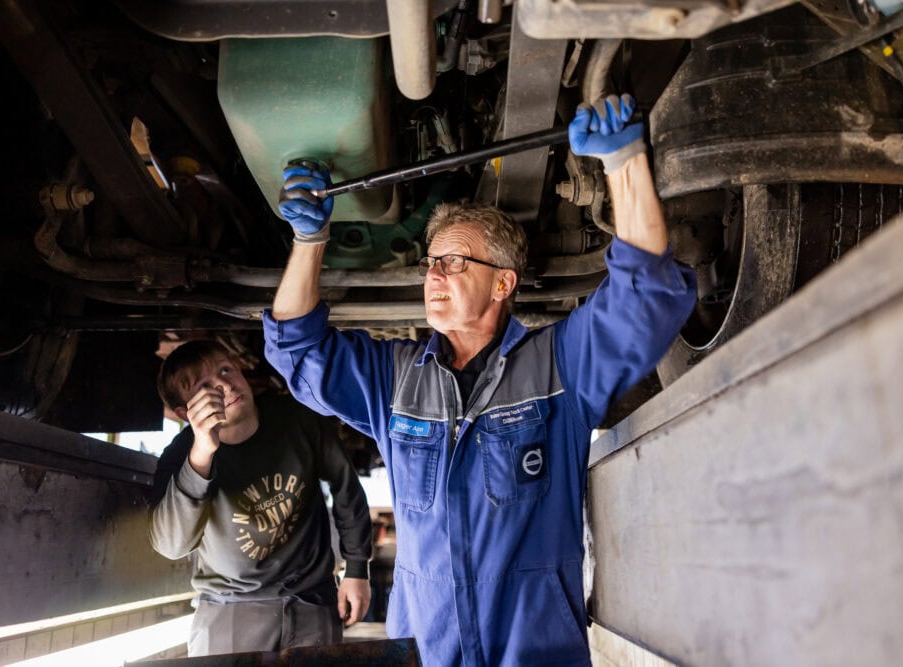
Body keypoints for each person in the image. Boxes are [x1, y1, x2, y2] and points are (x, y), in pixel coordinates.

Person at [263, 95, 697, 665]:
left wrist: (624, 161)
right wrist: (308, 242)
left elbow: (645, 299)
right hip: (424, 649)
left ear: (502, 284)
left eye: (455, 261)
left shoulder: (558, 368)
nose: (434, 275)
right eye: (431, 263)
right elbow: (297, 352)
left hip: (534, 652)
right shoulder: (393, 381)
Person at [149, 339, 373, 657]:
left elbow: (346, 488)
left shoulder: (299, 420)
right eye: (206, 386)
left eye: (226, 370)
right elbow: (171, 545)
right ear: (187, 412)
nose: (225, 384)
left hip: (311, 602)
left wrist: (356, 569)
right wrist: (201, 453)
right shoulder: (179, 456)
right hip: (229, 608)